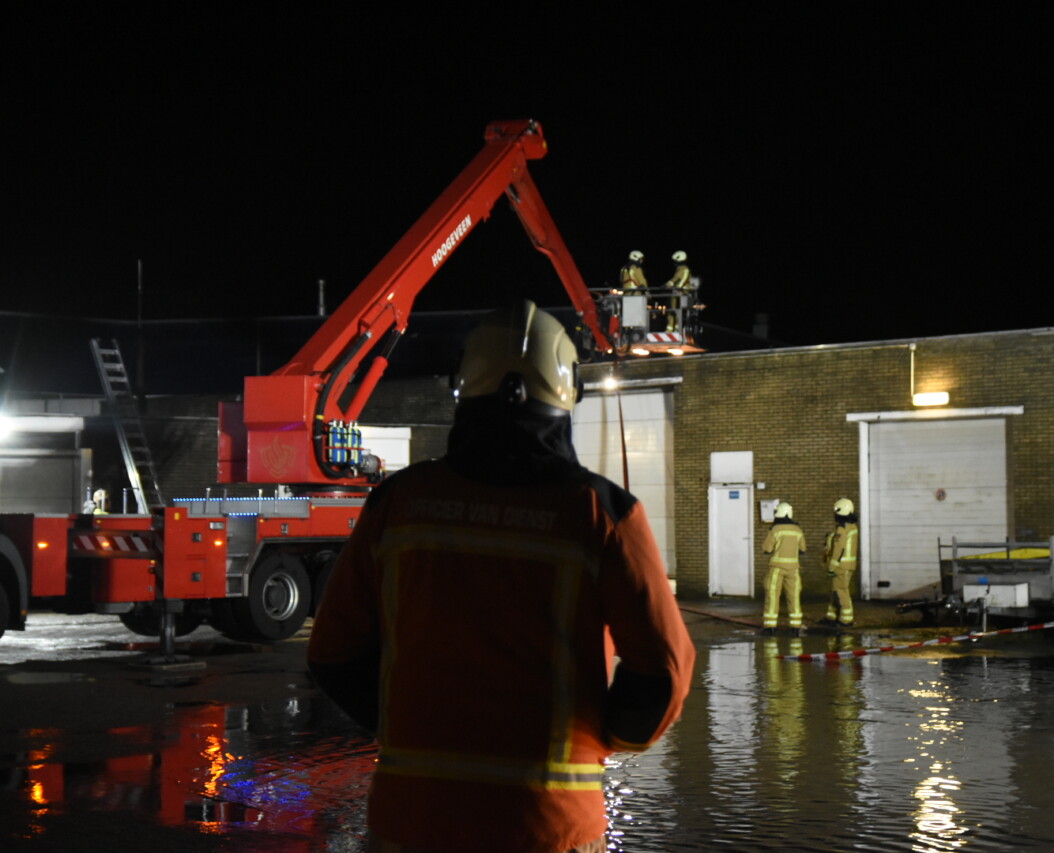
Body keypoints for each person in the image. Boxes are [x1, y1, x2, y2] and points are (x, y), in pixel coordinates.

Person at [307, 300, 696, 853]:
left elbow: (332, 654)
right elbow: (662, 674)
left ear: (461, 387)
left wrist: (403, 723)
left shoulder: (399, 503)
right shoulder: (601, 514)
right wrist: (602, 738)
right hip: (549, 824)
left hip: (413, 821)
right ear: (567, 397)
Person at [762, 500, 806, 636]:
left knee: (772, 595)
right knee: (794, 596)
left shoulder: (775, 530)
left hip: (777, 568)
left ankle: (770, 627)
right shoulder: (798, 530)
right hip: (793, 569)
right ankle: (796, 626)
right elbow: (803, 549)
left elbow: (766, 549)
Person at [822, 498, 859, 627]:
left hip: (841, 565)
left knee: (840, 591)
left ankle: (846, 619)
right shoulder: (852, 527)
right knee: (836, 590)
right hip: (848, 565)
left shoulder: (842, 529)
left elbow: (839, 549)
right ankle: (831, 616)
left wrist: (832, 566)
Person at [663, 250, 692, 332]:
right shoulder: (680, 269)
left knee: (678, 312)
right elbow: (674, 279)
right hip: (676, 293)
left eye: (675, 261)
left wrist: (676, 288)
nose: (674, 263)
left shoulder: (685, 269)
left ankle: (677, 330)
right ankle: (669, 330)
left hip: (682, 294)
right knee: (672, 311)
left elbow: (682, 281)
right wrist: (667, 285)